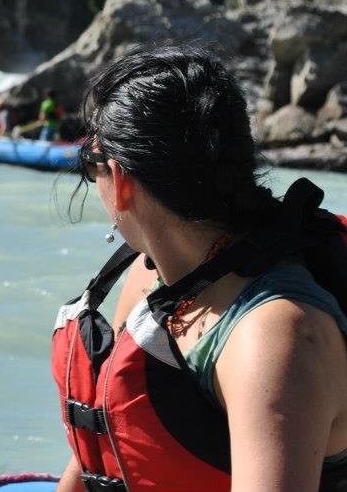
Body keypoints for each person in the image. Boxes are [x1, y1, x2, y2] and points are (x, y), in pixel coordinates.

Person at [52, 46, 347, 491]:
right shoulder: (151, 275)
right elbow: (104, 440)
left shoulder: (274, 339)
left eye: (93, 167)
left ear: (123, 182)